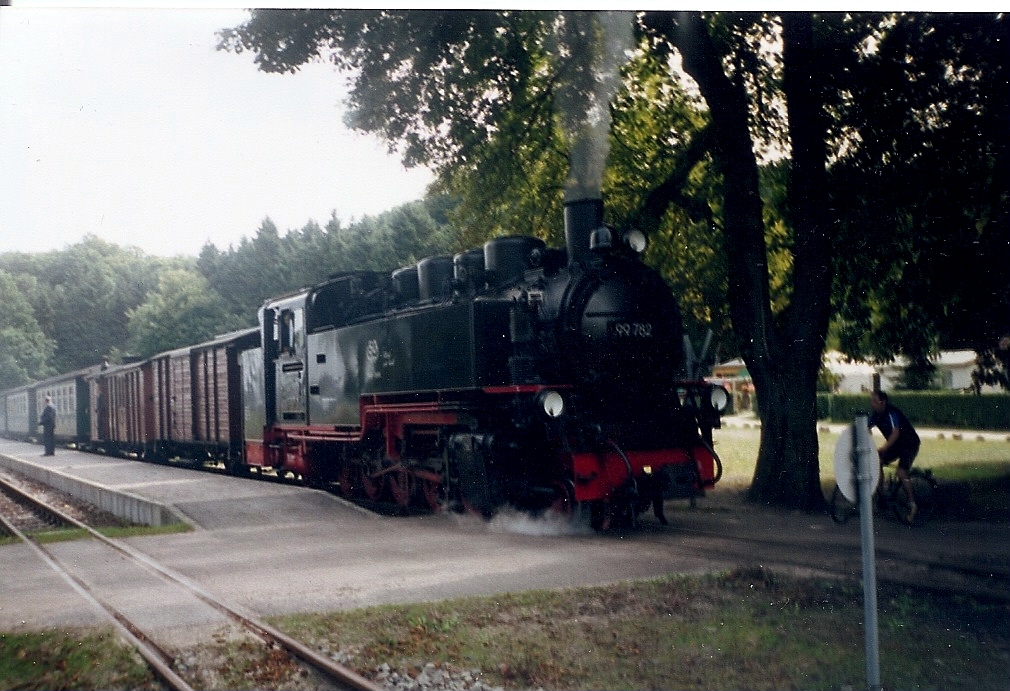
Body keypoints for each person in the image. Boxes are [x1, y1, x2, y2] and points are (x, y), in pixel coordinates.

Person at [868, 390, 921, 520]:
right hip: (896, 445)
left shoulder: (892, 413)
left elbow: (895, 433)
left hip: (909, 444)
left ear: (883, 402)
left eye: (875, 401)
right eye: (872, 401)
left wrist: (883, 448)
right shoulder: (875, 415)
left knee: (901, 472)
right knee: (877, 462)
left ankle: (912, 502)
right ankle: (881, 498)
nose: (872, 404)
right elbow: (865, 427)